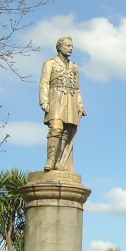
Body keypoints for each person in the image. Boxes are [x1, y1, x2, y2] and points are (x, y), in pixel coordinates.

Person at [39, 36, 87, 171]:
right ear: (60, 47)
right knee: (55, 128)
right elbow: (44, 82)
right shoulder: (50, 63)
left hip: (70, 100)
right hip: (56, 98)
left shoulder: (74, 66)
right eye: (68, 46)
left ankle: (59, 162)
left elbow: (76, 88)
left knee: (66, 132)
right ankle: (50, 160)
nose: (70, 48)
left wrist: (80, 105)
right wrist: (44, 101)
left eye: (71, 46)